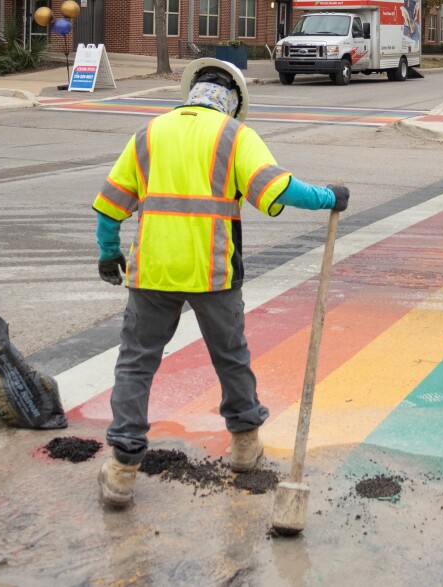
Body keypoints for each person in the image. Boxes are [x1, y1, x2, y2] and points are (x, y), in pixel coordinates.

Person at [93, 58, 350, 508]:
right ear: (232, 100)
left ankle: (122, 469)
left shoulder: (149, 134)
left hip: (153, 270)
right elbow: (278, 188)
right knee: (231, 357)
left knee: (136, 363)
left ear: (192, 90)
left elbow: (111, 203)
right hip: (214, 272)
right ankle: (246, 445)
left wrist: (108, 251)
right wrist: (329, 197)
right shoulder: (235, 136)